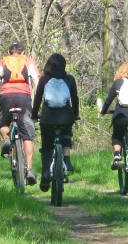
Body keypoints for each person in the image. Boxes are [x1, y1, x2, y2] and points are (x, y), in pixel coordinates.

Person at [0, 42, 40, 185]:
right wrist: (38, 104)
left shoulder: (2, 62)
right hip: (23, 98)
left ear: (10, 52)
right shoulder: (28, 61)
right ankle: (29, 170)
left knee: (3, 122)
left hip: (6, 98)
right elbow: (37, 83)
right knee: (27, 135)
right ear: (22, 52)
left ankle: (6, 139)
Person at [31, 53, 80, 192]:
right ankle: (66, 160)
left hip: (47, 118)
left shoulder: (44, 79)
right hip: (66, 118)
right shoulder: (70, 79)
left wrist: (34, 115)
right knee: (66, 135)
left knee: (47, 146)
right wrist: (75, 114)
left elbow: (38, 99)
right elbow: (75, 99)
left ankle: (46, 172)